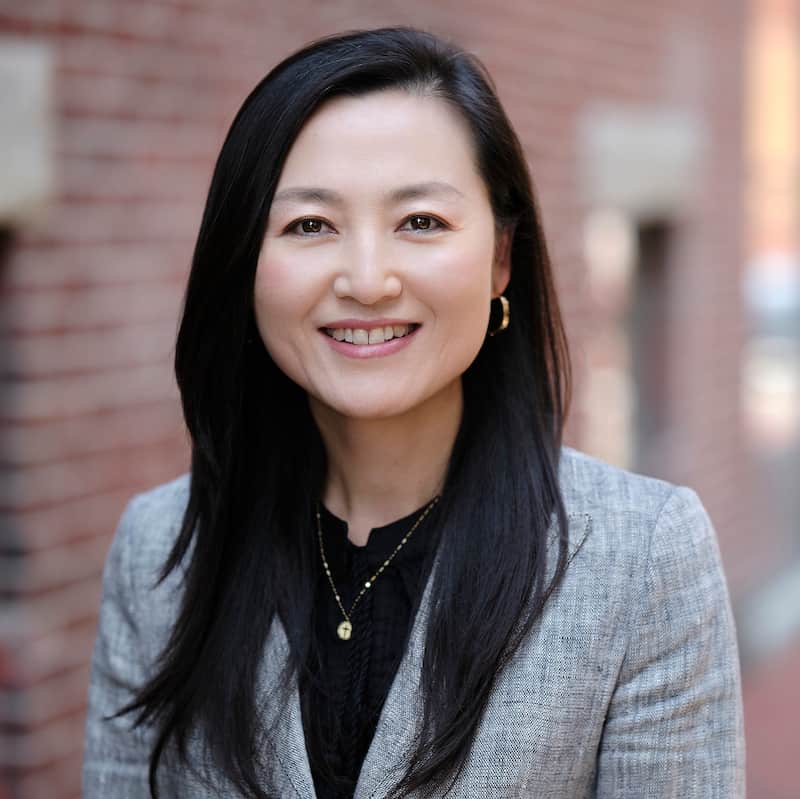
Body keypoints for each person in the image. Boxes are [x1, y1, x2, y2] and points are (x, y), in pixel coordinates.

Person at [82, 26, 745, 799]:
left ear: (501, 257)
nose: (367, 279)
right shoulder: (160, 551)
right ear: (246, 262)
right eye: (310, 225)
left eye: (420, 222)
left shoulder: (643, 559)